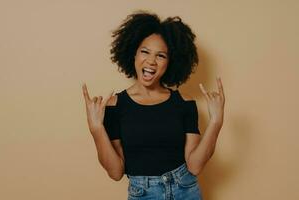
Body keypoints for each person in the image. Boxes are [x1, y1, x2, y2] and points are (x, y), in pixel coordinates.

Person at [82, 11, 225, 200]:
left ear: (170, 62)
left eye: (161, 55)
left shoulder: (184, 102)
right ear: (133, 53)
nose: (151, 61)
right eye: (145, 51)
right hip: (143, 194)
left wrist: (216, 122)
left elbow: (195, 166)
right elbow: (115, 173)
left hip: (186, 190)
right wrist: (96, 129)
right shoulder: (115, 105)